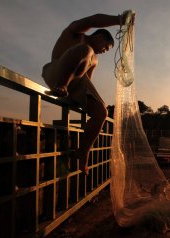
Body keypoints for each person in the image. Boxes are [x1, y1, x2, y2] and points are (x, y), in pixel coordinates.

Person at [42, 13, 130, 175]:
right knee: (85, 50)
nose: (104, 51)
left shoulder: (93, 59)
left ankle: (83, 152)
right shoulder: (75, 34)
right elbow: (92, 20)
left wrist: (87, 102)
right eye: (106, 47)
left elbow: (87, 84)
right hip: (56, 71)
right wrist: (119, 20)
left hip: (76, 84)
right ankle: (62, 85)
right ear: (100, 37)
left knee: (101, 113)